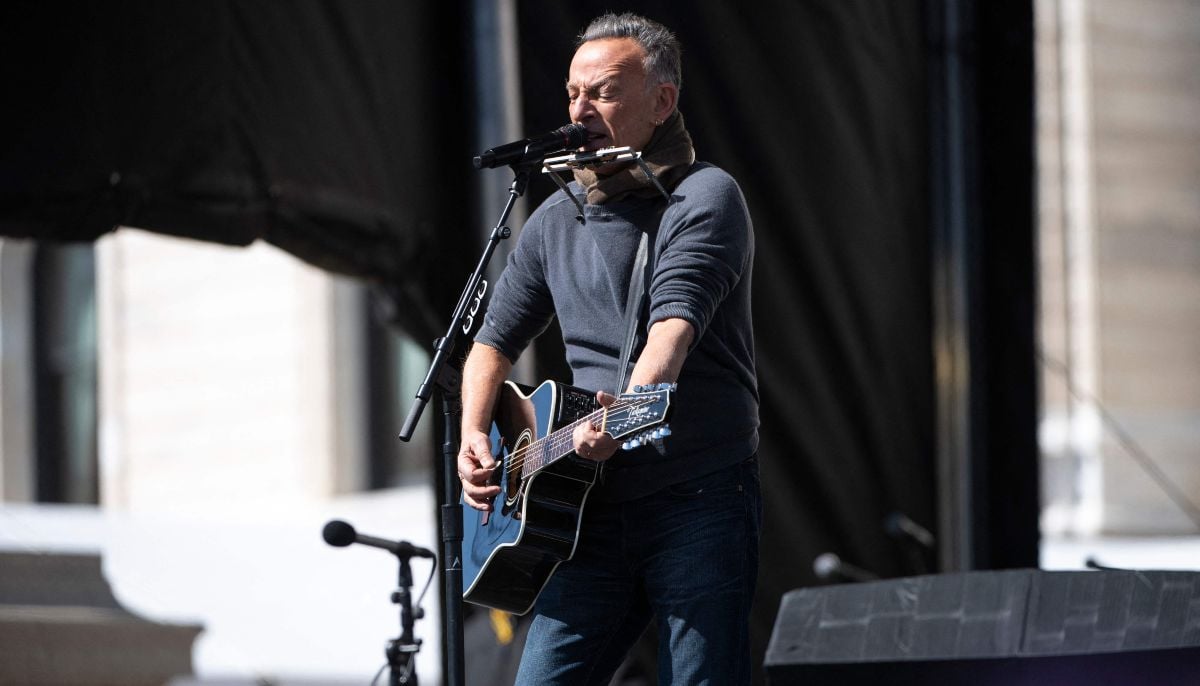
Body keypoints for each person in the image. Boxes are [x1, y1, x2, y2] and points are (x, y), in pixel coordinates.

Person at [457, 12, 760, 685]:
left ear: (662, 100)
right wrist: (474, 433)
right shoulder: (553, 218)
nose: (580, 110)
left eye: (604, 92)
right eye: (573, 94)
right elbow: (489, 344)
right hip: (586, 507)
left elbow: (671, 334)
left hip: (697, 492)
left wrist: (626, 414)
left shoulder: (703, 197)